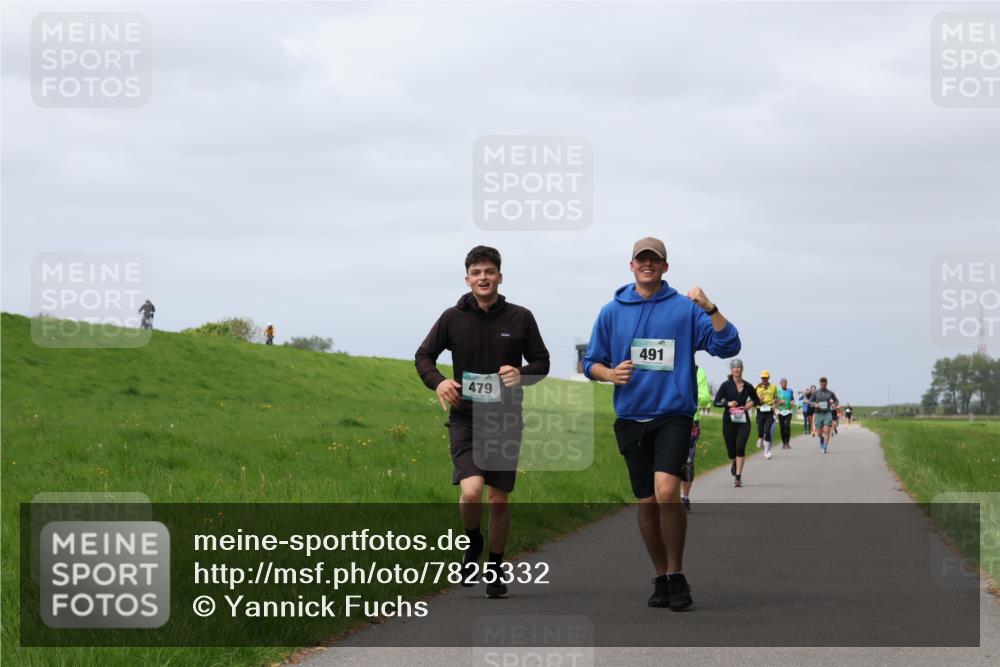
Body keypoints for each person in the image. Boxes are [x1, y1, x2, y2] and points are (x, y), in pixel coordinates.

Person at [583, 236, 740, 611]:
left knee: (668, 491)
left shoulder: (685, 310)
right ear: (632, 266)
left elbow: (728, 346)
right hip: (631, 417)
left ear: (665, 267)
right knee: (647, 501)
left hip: (673, 414)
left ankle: (677, 573)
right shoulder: (611, 311)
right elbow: (591, 363)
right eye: (641, 259)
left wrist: (710, 306)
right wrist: (610, 374)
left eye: (655, 260)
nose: (647, 265)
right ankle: (659, 576)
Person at [415, 246, 550, 599]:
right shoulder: (452, 317)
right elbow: (423, 356)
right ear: (468, 279)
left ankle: (495, 566)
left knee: (499, 500)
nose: (483, 277)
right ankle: (473, 539)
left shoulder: (520, 317)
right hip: (466, 418)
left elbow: (542, 362)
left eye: (489, 271)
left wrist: (520, 373)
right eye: (476, 272)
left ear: (499, 277)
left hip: (505, 420)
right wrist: (440, 382)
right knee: (472, 492)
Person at [714, 359, 759, 487]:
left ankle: (738, 478)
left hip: (743, 420)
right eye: (734, 367)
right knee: (731, 450)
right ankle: (734, 462)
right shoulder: (725, 385)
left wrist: (751, 403)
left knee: (740, 447)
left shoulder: (748, 386)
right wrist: (726, 403)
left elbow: (756, 399)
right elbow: (715, 402)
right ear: (731, 370)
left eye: (739, 367)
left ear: (742, 369)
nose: (737, 369)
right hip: (729, 420)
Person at [681, 365, 712, 512]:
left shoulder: (699, 371)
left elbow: (706, 399)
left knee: (688, 461)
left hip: (691, 422)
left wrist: (689, 393)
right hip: (667, 419)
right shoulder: (669, 366)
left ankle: (684, 497)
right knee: (668, 460)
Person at [810, 377, 839, 453]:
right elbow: (810, 401)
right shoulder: (815, 393)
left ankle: (825, 446)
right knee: (819, 433)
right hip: (818, 413)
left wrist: (834, 405)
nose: (823, 385)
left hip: (827, 413)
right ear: (819, 384)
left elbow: (836, 400)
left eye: (824, 384)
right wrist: (814, 404)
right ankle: (822, 439)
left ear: (826, 384)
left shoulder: (830, 393)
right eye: (821, 384)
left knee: (827, 430)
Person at [754, 371, 777, 459]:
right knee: (760, 430)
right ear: (761, 378)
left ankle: (766, 452)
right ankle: (760, 438)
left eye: (766, 378)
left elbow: (776, 399)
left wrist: (775, 402)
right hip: (760, 411)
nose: (764, 379)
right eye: (763, 378)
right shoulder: (756, 387)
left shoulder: (773, 387)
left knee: (767, 431)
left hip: (769, 411)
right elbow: (753, 399)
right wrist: (758, 400)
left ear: (768, 378)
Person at [776, 378, 795, 449]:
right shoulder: (777, 391)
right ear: (780, 384)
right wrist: (779, 402)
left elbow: (792, 399)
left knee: (787, 426)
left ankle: (787, 442)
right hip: (780, 411)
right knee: (782, 427)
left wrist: (792, 402)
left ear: (787, 384)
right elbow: (775, 402)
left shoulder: (790, 391)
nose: (784, 384)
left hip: (788, 411)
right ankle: (783, 443)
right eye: (782, 383)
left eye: (785, 383)